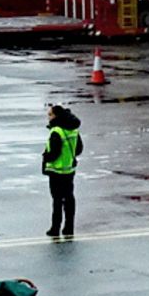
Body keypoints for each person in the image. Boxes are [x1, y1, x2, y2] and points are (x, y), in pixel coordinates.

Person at [42, 101, 83, 238]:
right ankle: (69, 227)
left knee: (57, 200)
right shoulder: (73, 129)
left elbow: (53, 153)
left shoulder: (56, 131)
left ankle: (55, 228)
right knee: (69, 198)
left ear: (56, 116)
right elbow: (79, 149)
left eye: (50, 115)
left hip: (56, 171)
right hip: (69, 169)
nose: (48, 117)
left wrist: (45, 156)